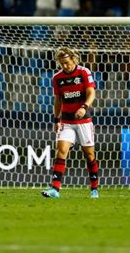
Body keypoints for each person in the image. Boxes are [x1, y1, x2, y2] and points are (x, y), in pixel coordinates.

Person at [41, 47, 99, 198]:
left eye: (66, 62)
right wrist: (55, 119)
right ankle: (55, 189)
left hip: (84, 120)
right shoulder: (57, 78)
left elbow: (91, 92)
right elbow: (58, 100)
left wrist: (84, 107)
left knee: (89, 154)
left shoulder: (84, 72)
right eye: (62, 64)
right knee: (61, 150)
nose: (65, 66)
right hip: (66, 120)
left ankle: (94, 189)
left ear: (73, 59)